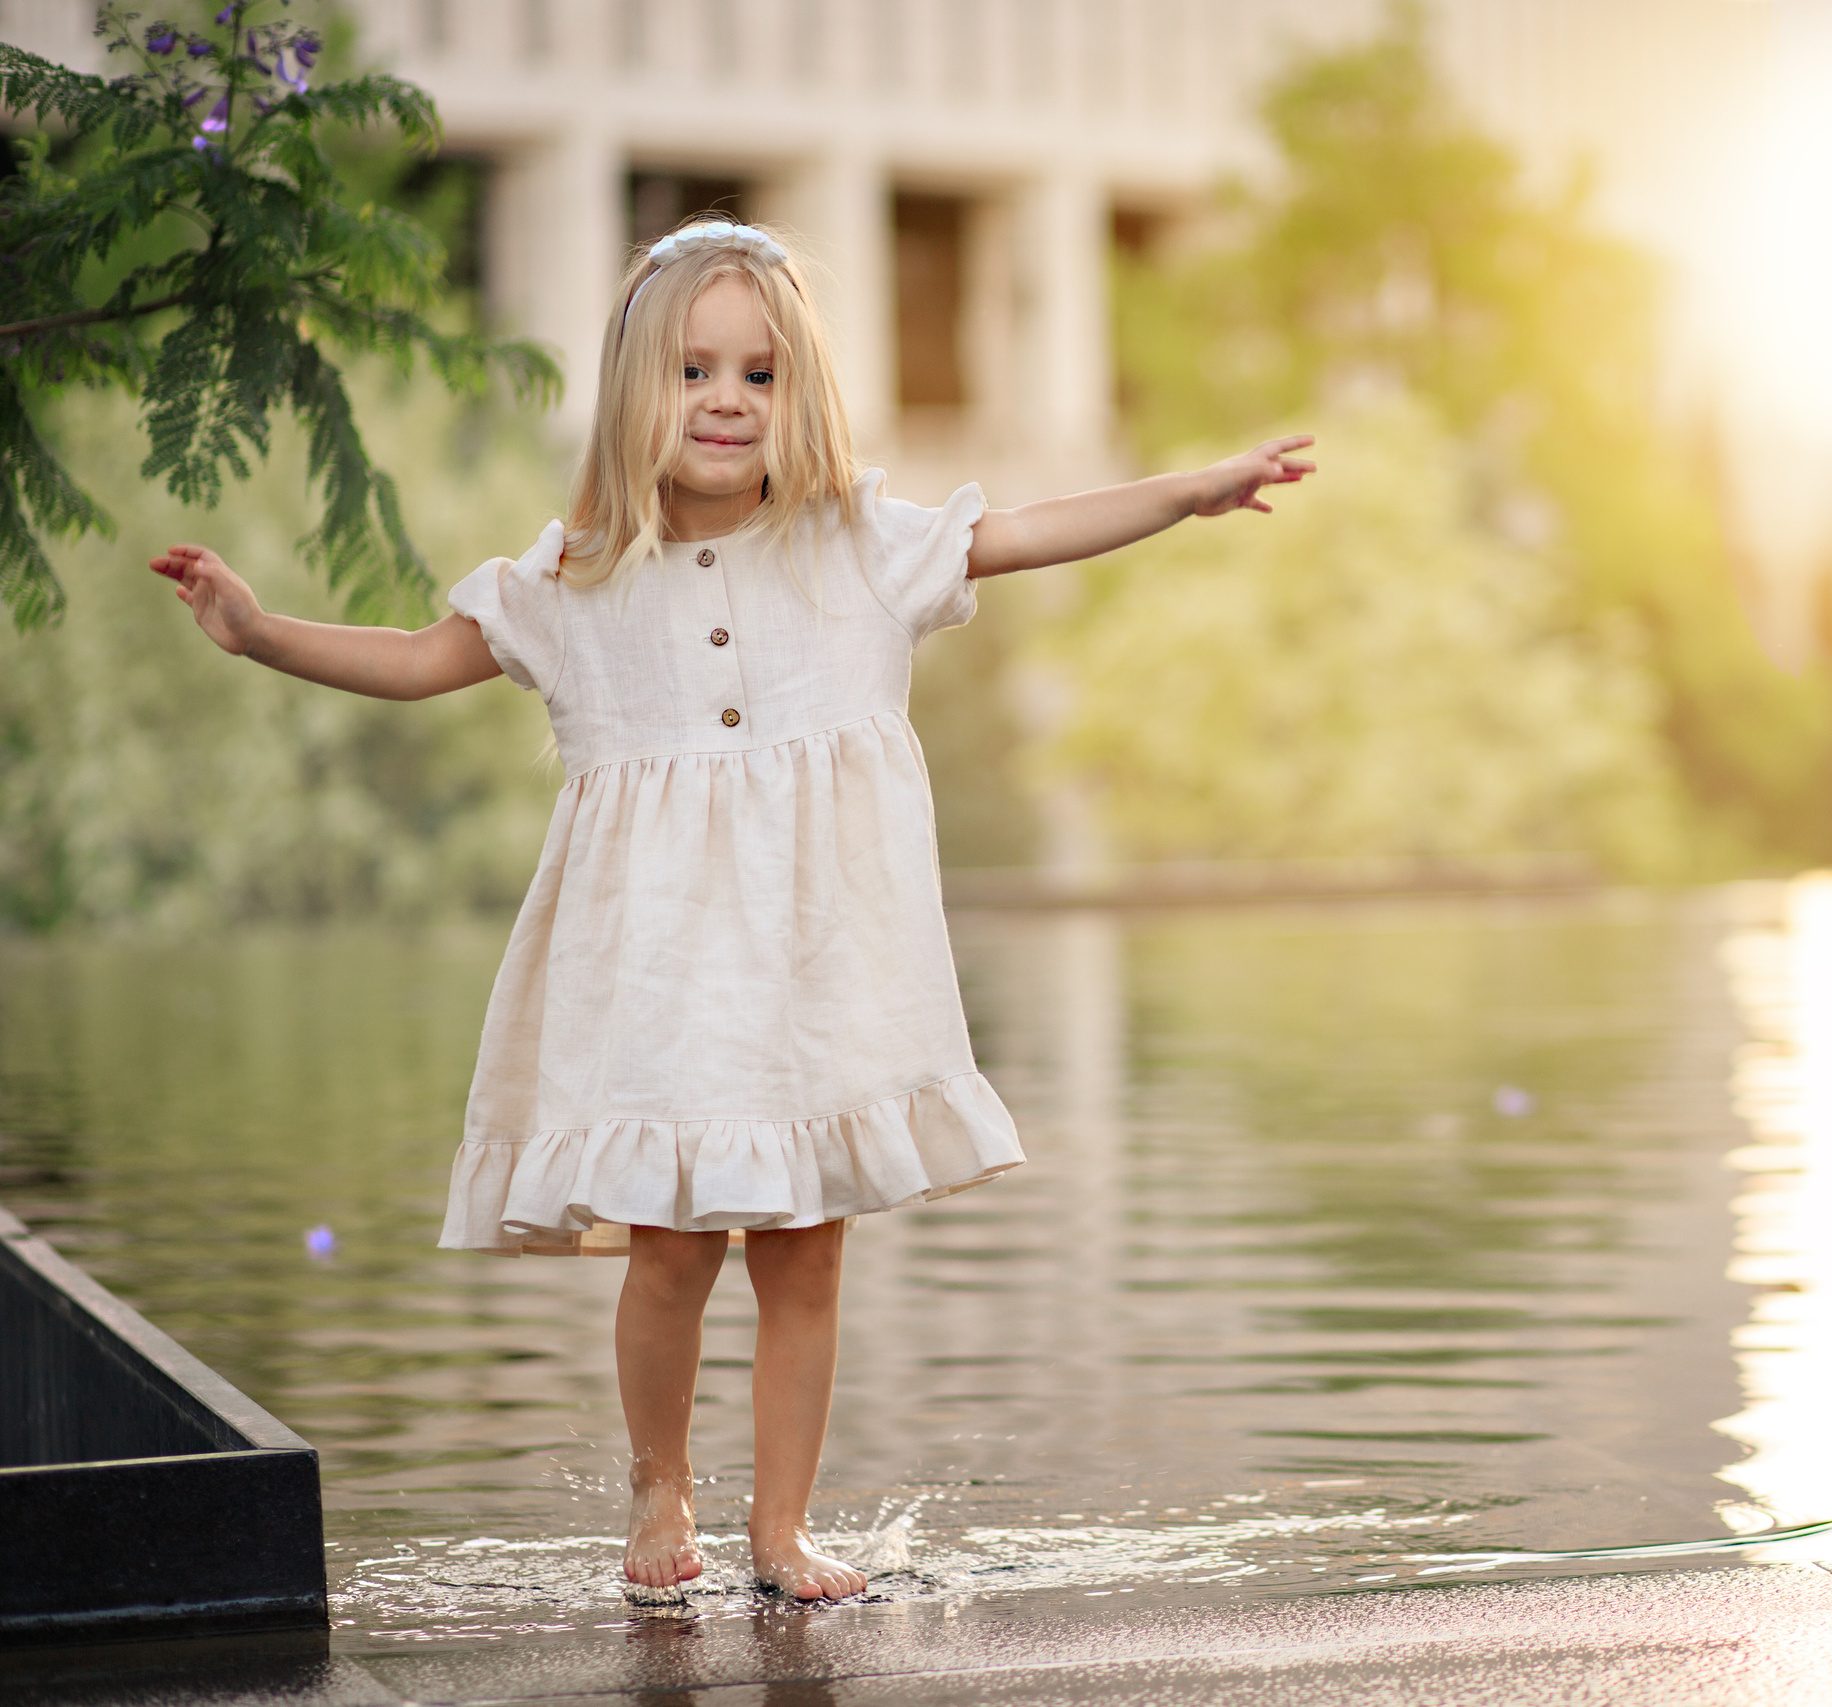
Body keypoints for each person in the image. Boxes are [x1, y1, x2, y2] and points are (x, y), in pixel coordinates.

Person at [148, 218, 1314, 1603]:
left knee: (809, 1253)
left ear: (797, 394)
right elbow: (416, 658)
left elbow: (1023, 531)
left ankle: (780, 1528)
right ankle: (661, 1484)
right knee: (676, 1248)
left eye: (759, 376)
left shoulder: (858, 550)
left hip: (822, 974)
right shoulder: (578, 577)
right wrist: (260, 629)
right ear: (639, 386)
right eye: (695, 369)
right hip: (660, 980)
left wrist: (1185, 491)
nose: (725, 400)